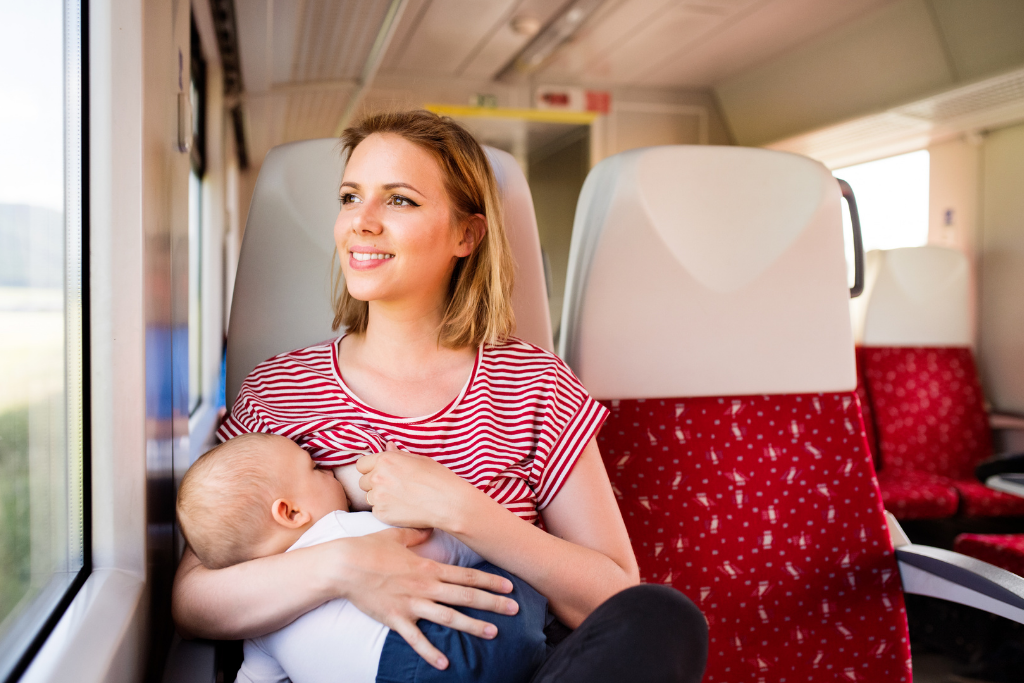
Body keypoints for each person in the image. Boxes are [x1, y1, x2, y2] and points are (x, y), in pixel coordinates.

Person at [172, 109, 708, 683]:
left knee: (665, 615)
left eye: (398, 200)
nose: (362, 222)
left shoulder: (535, 383)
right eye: (351, 197)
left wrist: (464, 511)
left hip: (521, 664)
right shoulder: (280, 390)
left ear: (466, 234)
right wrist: (343, 565)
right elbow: (195, 600)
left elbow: (615, 600)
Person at [176, 432, 548, 683]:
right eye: (315, 468)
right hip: (436, 658)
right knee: (516, 583)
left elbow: (254, 679)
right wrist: (484, 543)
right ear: (290, 513)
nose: (331, 472)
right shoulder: (343, 528)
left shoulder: (257, 622)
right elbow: (443, 548)